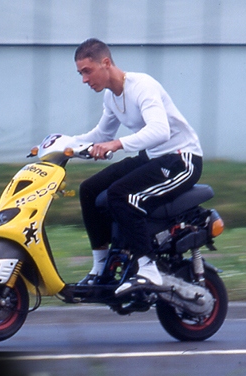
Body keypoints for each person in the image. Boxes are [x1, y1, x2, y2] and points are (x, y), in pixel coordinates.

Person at [73, 38, 203, 296]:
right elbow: (101, 134)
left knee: (121, 195)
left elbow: (160, 131)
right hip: (154, 158)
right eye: (80, 74)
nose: (85, 80)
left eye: (87, 71)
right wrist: (62, 144)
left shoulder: (142, 86)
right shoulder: (111, 97)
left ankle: (149, 269)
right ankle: (102, 269)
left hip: (181, 159)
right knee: (89, 189)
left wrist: (117, 144)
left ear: (106, 63)